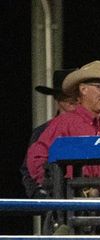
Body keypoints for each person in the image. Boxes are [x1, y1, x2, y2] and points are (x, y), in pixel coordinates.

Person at [24, 61, 100, 198]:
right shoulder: (63, 124)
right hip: (74, 205)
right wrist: (58, 192)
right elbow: (36, 159)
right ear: (83, 89)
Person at [22, 68, 76, 198]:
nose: (72, 98)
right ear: (57, 97)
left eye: (75, 93)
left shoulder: (96, 126)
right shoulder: (42, 131)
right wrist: (42, 199)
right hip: (55, 203)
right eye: (66, 94)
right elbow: (28, 171)